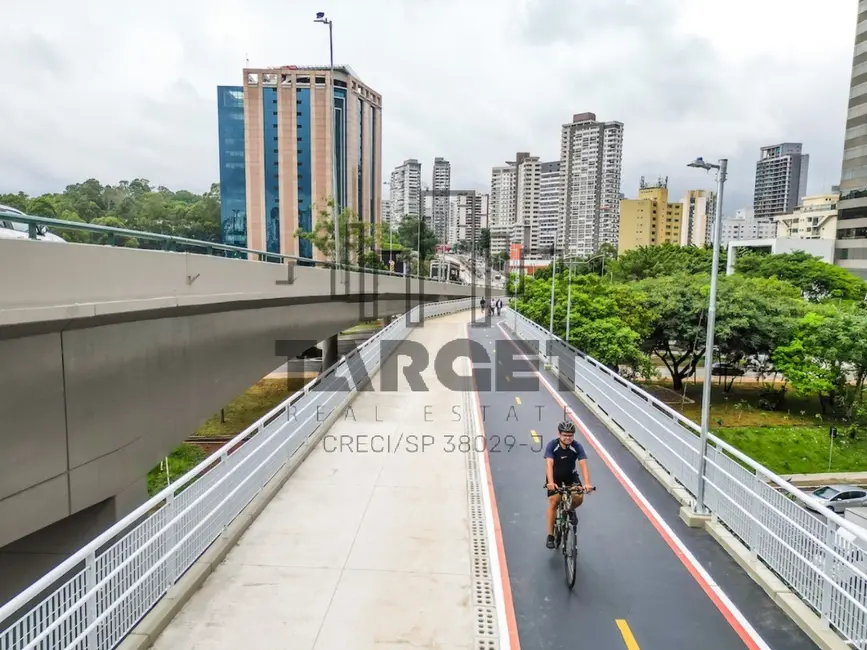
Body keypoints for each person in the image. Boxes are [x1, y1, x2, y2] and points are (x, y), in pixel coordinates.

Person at [544, 420, 593, 549]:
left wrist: (587, 483)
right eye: (565, 435)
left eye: (570, 435)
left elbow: (583, 464)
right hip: (555, 478)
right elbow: (549, 464)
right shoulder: (552, 445)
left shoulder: (577, 446)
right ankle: (550, 535)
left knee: (579, 497)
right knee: (554, 502)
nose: (568, 438)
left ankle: (569, 510)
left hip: (571, 477)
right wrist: (550, 482)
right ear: (559, 435)